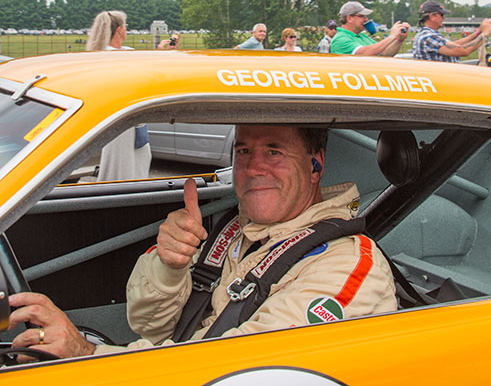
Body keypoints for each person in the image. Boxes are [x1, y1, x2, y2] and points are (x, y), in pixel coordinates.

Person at [8, 125, 397, 360]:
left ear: (316, 165)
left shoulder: (347, 265)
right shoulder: (232, 231)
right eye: (244, 150)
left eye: (274, 151)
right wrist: (169, 266)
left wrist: (88, 354)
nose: (254, 166)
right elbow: (149, 327)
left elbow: (245, 371)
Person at [86, 11, 151, 181]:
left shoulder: (121, 53)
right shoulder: (113, 57)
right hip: (121, 119)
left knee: (138, 159)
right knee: (122, 166)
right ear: (120, 30)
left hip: (132, 119)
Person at [413, 0, 491, 63]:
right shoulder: (428, 36)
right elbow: (463, 50)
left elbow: (455, 44)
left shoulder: (427, 34)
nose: (443, 18)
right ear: (432, 16)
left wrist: (478, 32)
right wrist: (485, 35)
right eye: (441, 15)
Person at [330, 1, 410, 56]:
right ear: (349, 18)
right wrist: (391, 36)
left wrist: (399, 39)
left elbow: (385, 53)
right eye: (362, 16)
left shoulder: (363, 37)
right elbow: (364, 54)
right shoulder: (340, 39)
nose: (366, 20)